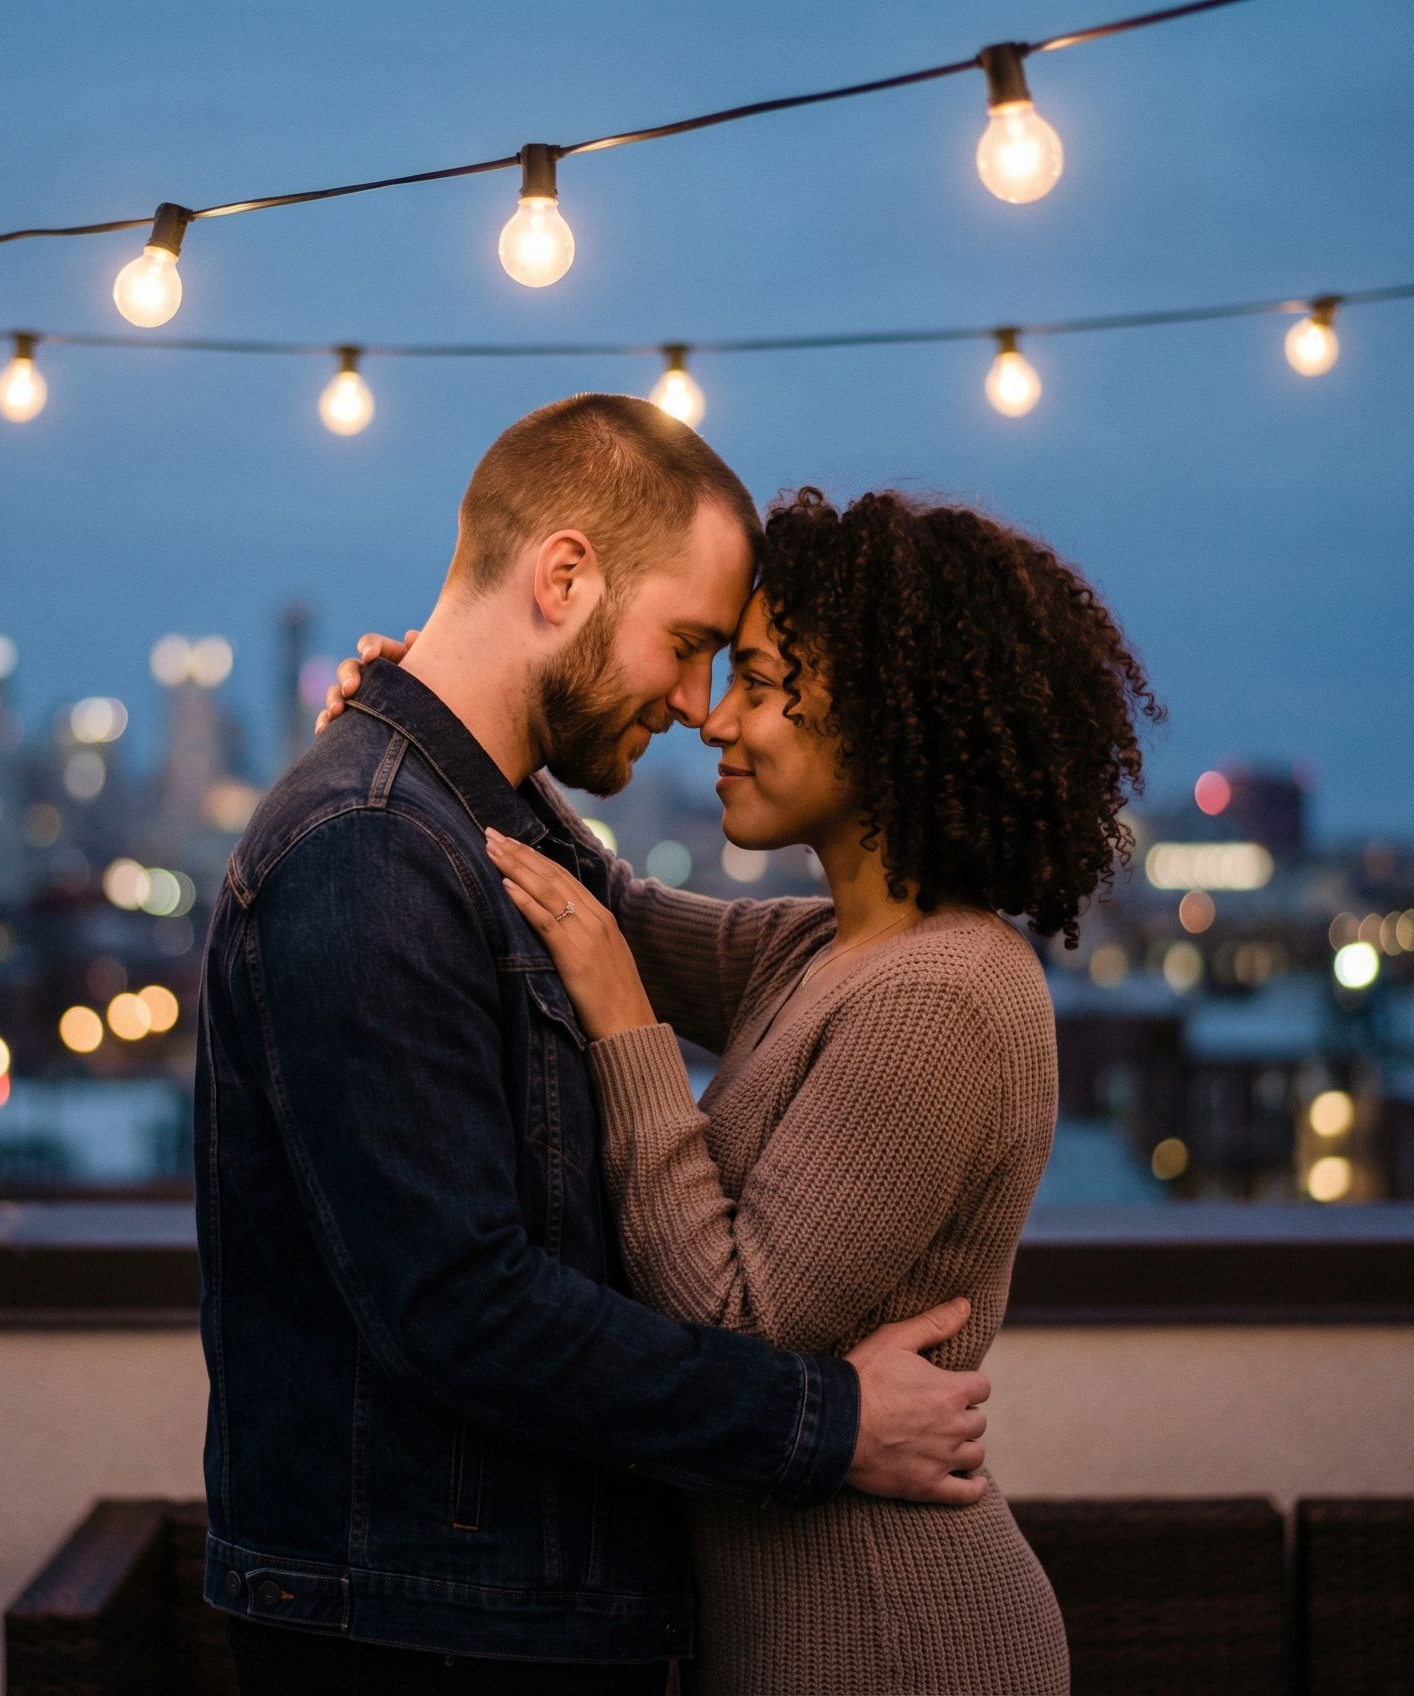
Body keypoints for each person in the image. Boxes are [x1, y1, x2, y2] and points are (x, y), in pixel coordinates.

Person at [196, 399, 998, 1694]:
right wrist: (826, 1422)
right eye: (688, 648)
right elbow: (460, 1305)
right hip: (432, 1640)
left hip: (496, 1617)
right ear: (564, 577)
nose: (698, 706)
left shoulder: (450, 829)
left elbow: (634, 922)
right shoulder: (371, 849)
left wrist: (440, 735)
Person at [327, 486, 1160, 1693]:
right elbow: (599, 903)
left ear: (886, 718)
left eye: (764, 683)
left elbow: (732, 1325)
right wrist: (445, 712)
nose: (716, 719)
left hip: (894, 1638)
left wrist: (626, 1031)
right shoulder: (823, 950)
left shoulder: (946, 997)